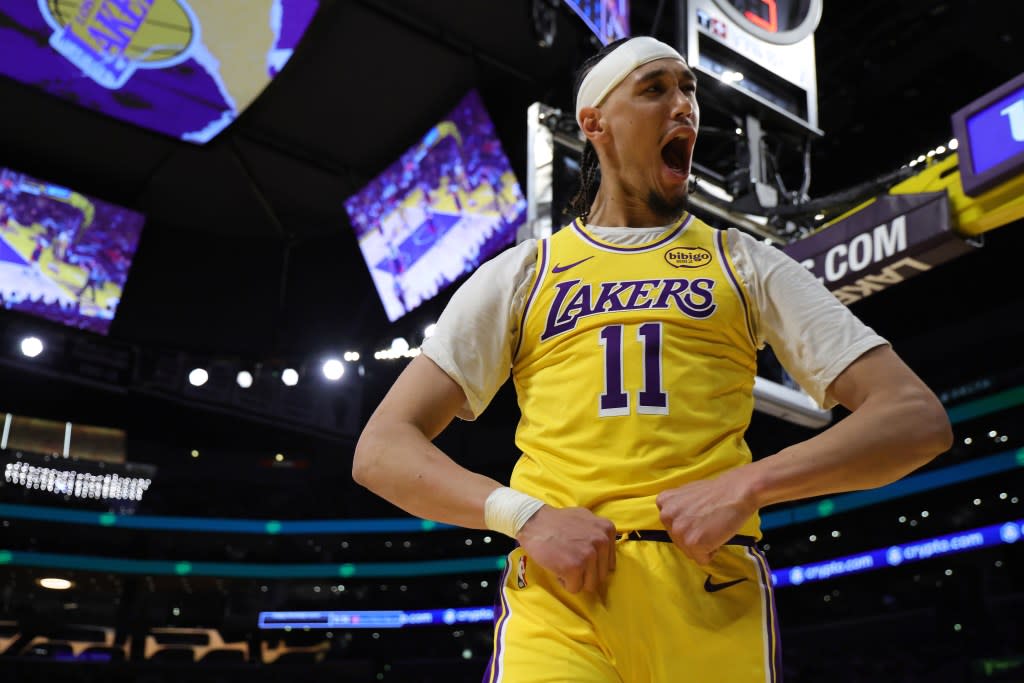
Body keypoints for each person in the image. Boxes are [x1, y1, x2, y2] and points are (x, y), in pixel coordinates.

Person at [353, 36, 952, 682]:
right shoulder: (524, 272)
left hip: (710, 590)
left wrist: (748, 485)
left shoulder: (744, 261)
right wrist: (524, 515)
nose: (684, 104)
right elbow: (381, 449)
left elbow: (914, 417)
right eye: (655, 89)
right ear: (595, 124)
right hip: (561, 595)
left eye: (689, 89)